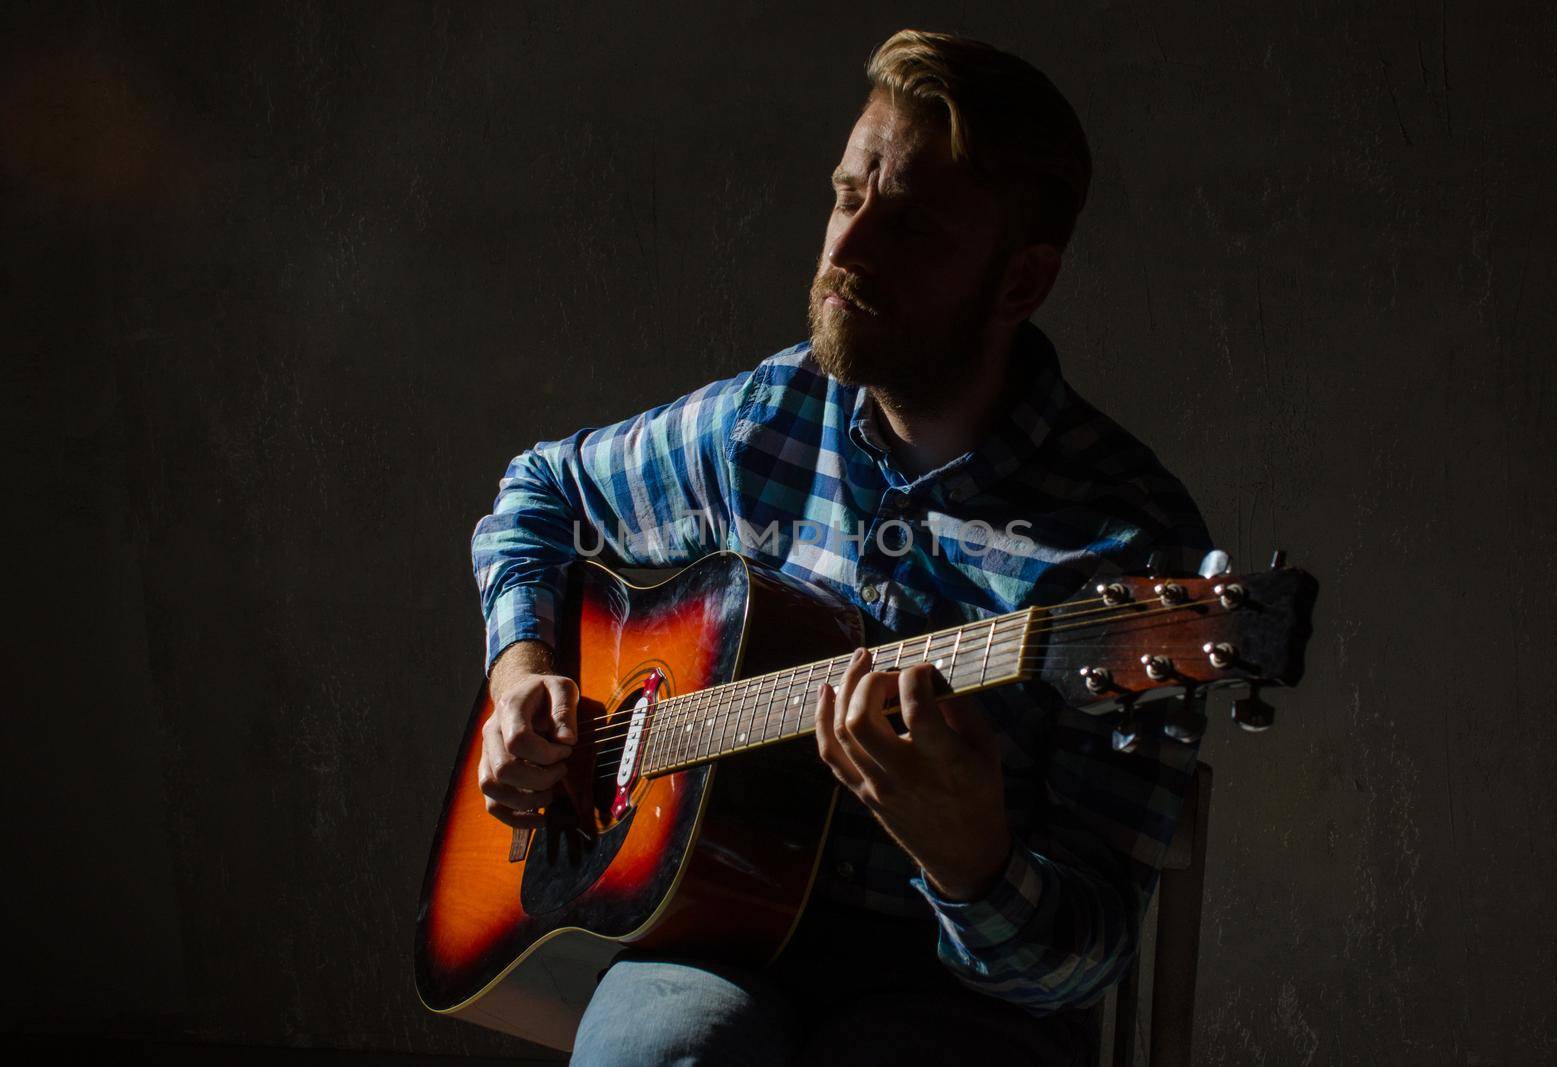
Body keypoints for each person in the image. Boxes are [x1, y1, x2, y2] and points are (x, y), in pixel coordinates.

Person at [470, 28, 1213, 1066]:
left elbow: (1081, 956)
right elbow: (534, 493)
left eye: (909, 229)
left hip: (960, 993)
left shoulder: (1129, 548)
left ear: (1019, 283)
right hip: (714, 939)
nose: (845, 250)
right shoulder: (765, 419)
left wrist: (973, 862)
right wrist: (523, 673)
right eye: (846, 194)